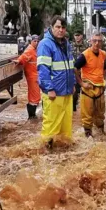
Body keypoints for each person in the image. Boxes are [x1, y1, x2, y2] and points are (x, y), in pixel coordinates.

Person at [37, 16, 76, 149]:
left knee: (66, 126)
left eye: (63, 27)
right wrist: (49, 89)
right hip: (54, 92)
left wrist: (73, 84)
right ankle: (46, 152)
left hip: (67, 91)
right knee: (51, 125)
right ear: (52, 27)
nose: (61, 30)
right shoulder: (45, 44)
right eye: (58, 27)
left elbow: (70, 66)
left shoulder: (66, 44)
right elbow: (43, 70)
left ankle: (63, 153)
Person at [74, 33, 106, 137]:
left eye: (99, 41)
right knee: (87, 114)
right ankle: (88, 136)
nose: (97, 43)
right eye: (94, 41)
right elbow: (74, 69)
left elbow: (104, 68)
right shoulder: (85, 55)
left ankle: (101, 134)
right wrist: (81, 83)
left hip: (100, 87)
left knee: (100, 113)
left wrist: (104, 81)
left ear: (102, 42)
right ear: (90, 41)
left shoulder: (103, 54)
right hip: (88, 88)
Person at [14, 34, 40, 119]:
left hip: (35, 76)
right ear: (31, 41)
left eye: (37, 41)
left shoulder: (35, 50)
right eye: (34, 41)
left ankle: (32, 116)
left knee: (35, 96)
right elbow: (23, 58)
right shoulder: (30, 49)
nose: (36, 43)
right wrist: (18, 61)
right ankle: (32, 116)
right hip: (32, 77)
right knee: (34, 96)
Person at [71, 30, 87, 112]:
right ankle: (73, 107)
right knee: (74, 91)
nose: (77, 37)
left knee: (86, 90)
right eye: (75, 35)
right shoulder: (70, 46)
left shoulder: (87, 46)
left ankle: (86, 108)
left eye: (78, 35)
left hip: (84, 72)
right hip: (74, 72)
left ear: (82, 36)